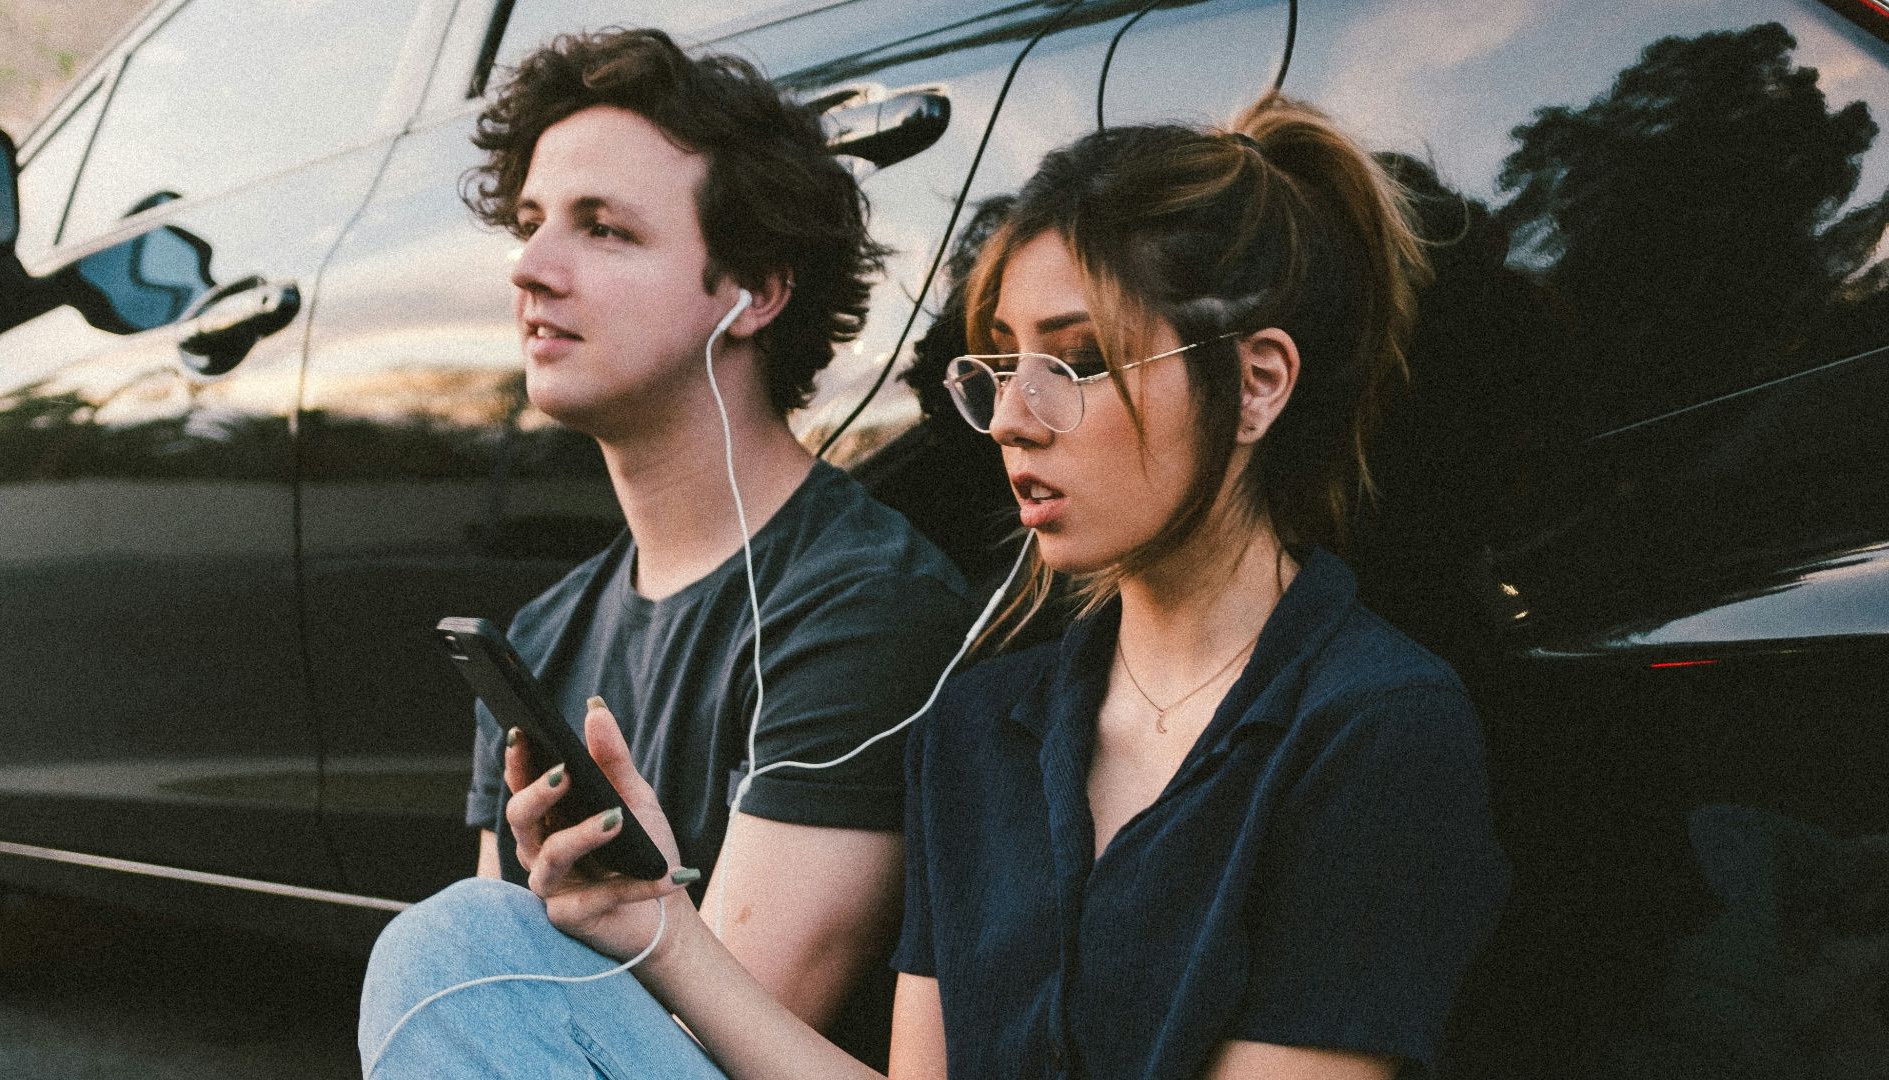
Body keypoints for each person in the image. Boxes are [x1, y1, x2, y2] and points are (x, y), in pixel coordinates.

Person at [362, 89, 1510, 1080]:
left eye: (1078, 362)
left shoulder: (1375, 727)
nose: (1012, 417)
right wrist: (658, 925)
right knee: (458, 945)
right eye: (1001, 361)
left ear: (1257, 384)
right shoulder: (983, 723)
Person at [443, 27, 974, 1064]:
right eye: (531, 225)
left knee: (433, 948)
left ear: (756, 292)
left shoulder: (864, 607)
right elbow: (495, 993)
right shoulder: (540, 637)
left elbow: (704, 1051)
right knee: (448, 943)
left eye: (604, 230)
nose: (531, 269)